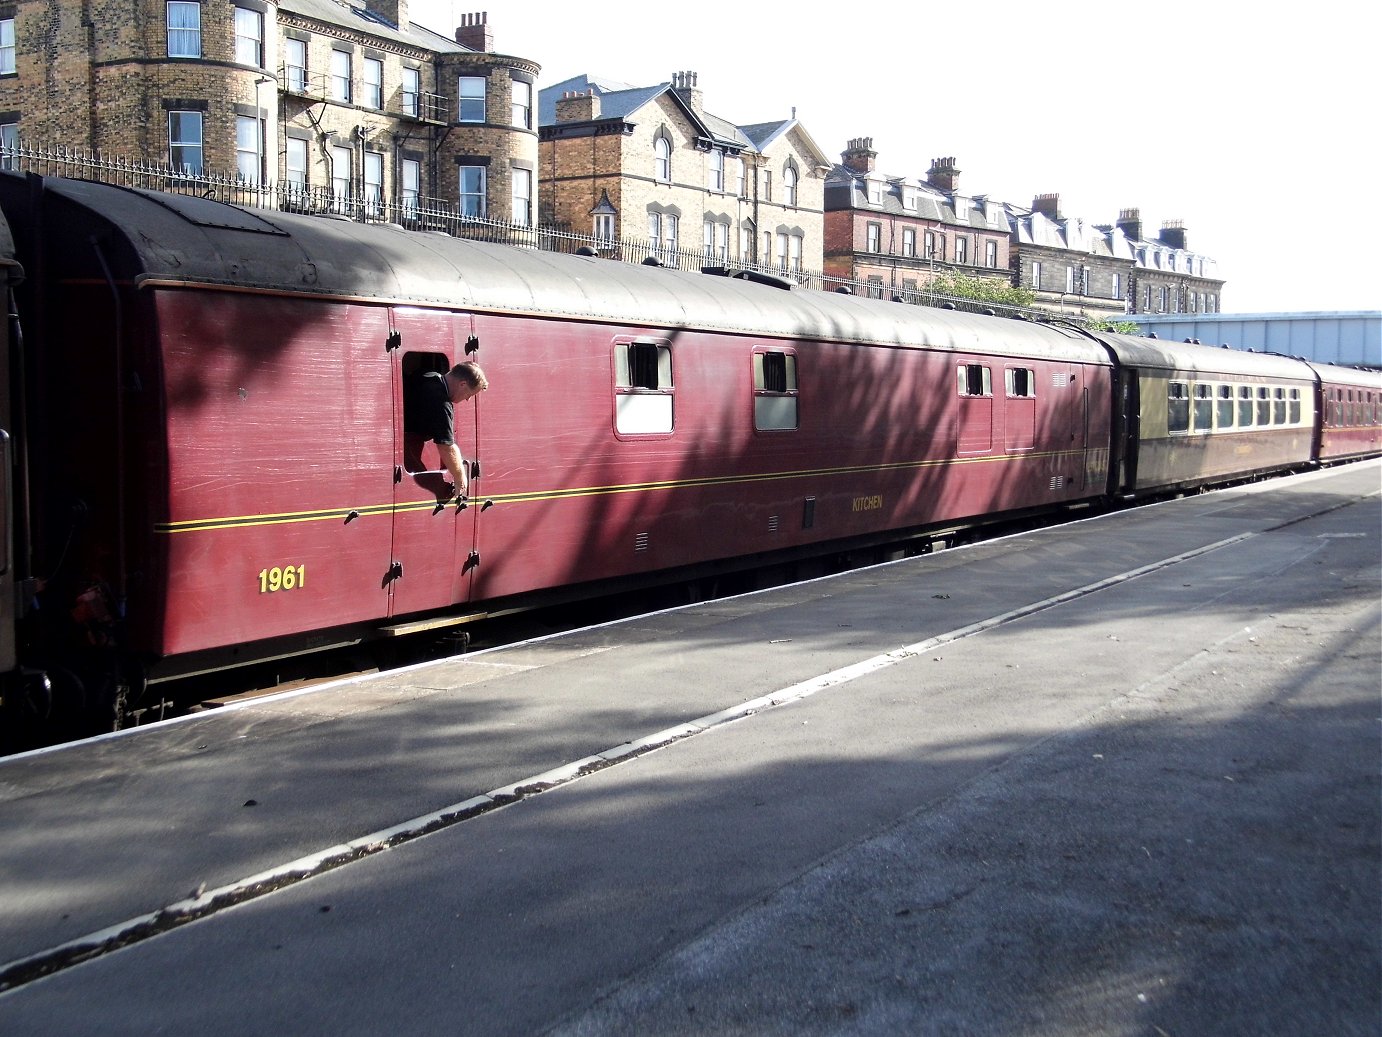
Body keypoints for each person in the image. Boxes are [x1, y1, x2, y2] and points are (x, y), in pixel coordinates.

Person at [403, 361, 488, 498]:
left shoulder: (425, 374)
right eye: (469, 394)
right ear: (463, 384)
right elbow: (446, 446)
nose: (467, 399)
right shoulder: (442, 404)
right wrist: (460, 478)